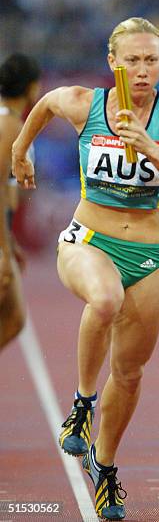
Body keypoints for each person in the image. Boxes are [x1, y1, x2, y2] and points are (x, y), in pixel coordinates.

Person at [12, 17, 159, 521]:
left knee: (131, 371)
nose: (142, 71)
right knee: (105, 299)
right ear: (112, 63)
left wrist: (149, 147)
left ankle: (105, 467)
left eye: (151, 60)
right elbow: (47, 104)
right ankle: (81, 403)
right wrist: (19, 148)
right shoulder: (87, 103)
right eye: (132, 60)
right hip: (87, 240)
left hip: (148, 255)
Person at [0, 53, 41, 350]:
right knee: (12, 318)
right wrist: (4, 248)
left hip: (3, 228)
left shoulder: (12, 123)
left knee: (13, 320)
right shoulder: (10, 128)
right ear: (32, 88)